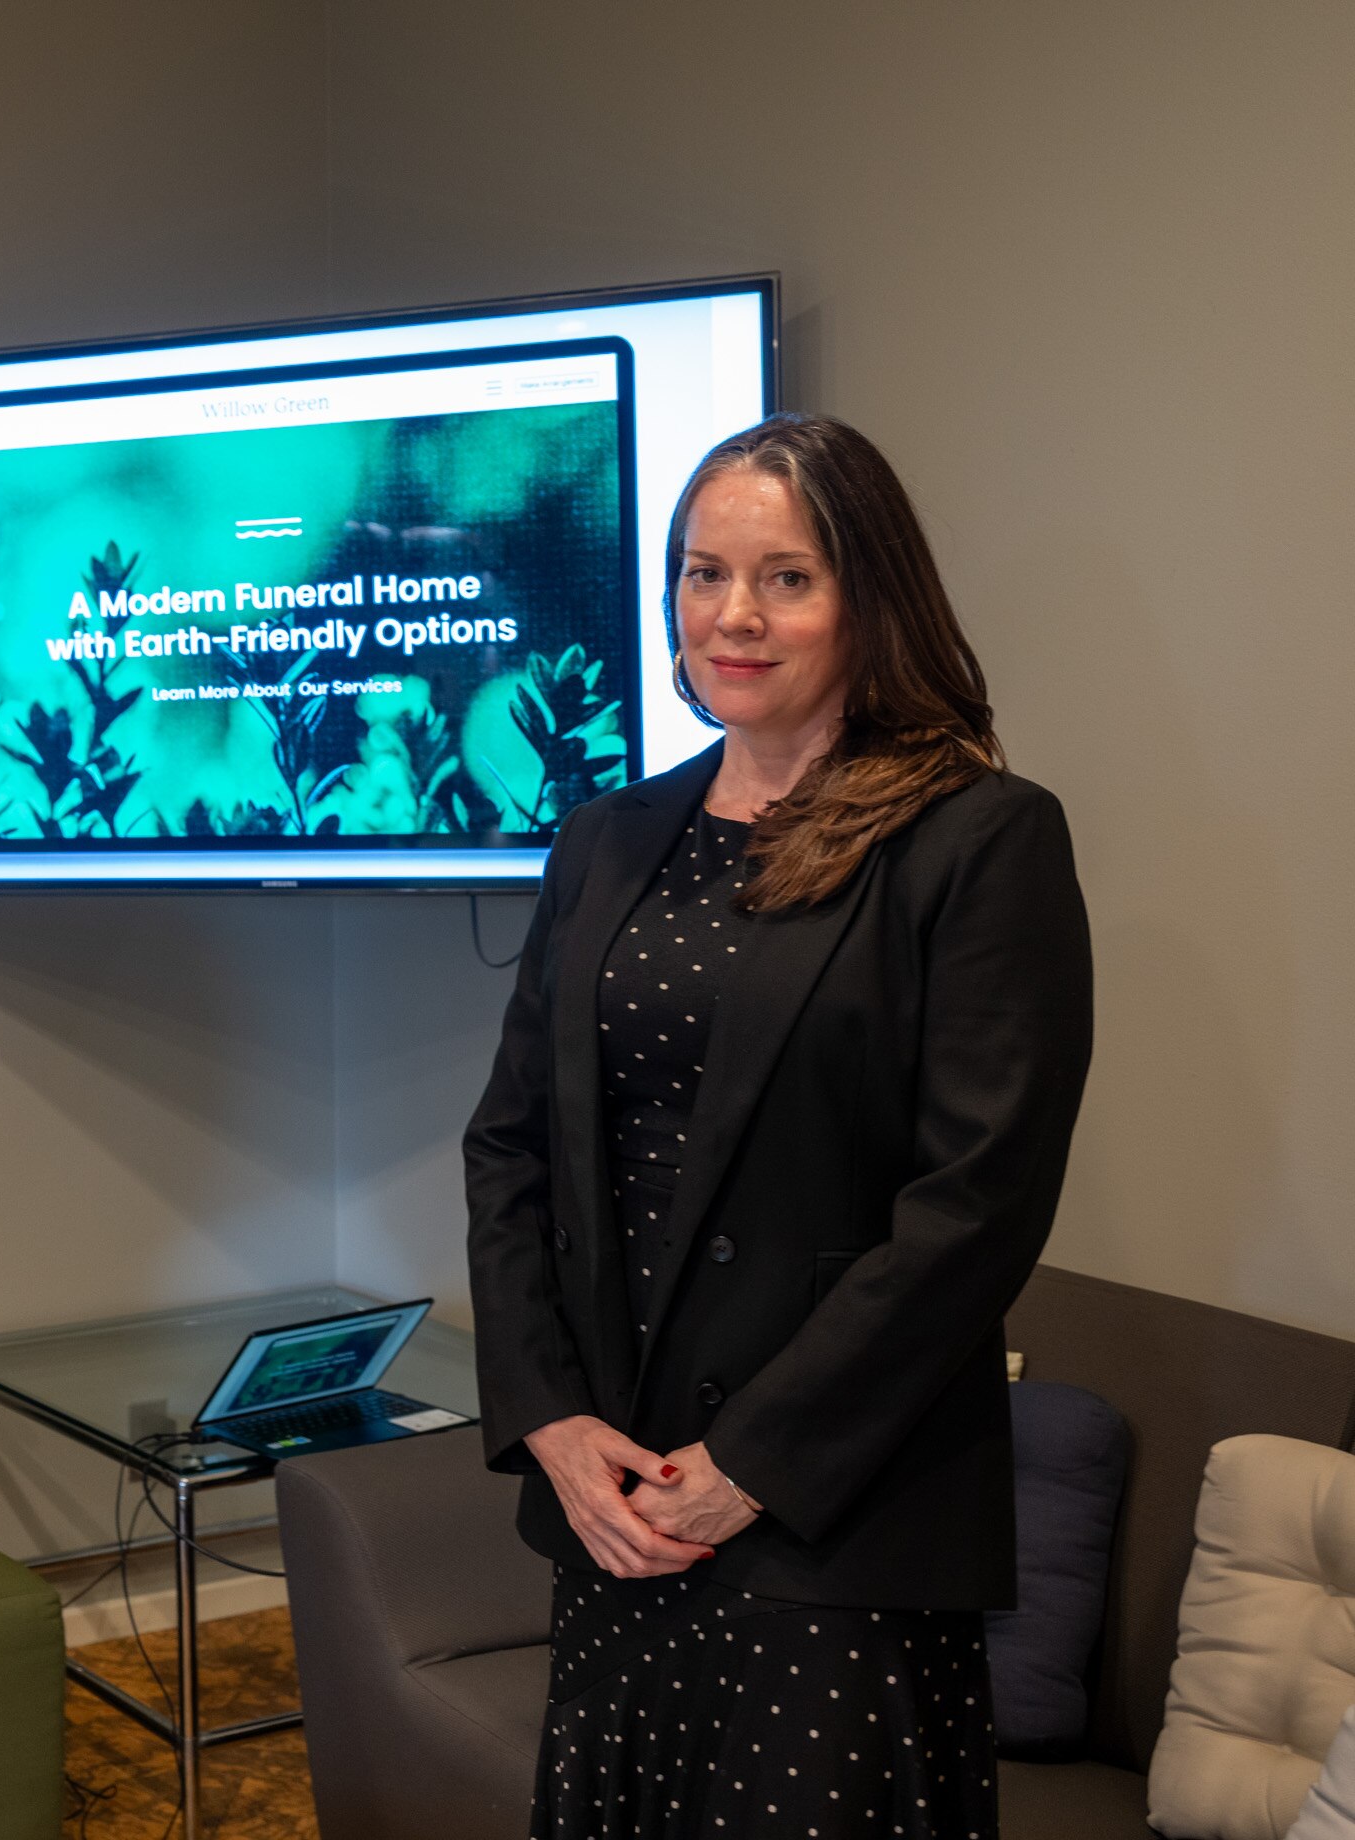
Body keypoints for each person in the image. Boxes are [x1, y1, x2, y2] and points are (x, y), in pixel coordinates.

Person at [464, 412, 1092, 1838]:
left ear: (870, 599)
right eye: (702, 573)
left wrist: (751, 1468)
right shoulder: (609, 837)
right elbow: (512, 1147)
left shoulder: (980, 840)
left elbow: (976, 1206)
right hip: (616, 1506)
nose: (731, 615)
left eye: (787, 578)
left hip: (831, 1520)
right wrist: (553, 1421)